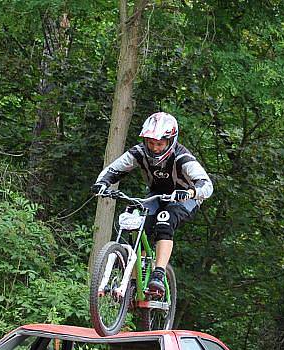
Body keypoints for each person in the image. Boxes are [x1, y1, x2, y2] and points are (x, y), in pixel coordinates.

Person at [91, 111, 213, 297]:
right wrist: (102, 184)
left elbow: (206, 184)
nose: (155, 148)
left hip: (185, 197)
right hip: (156, 195)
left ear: (170, 141)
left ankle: (158, 273)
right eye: (151, 143)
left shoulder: (182, 157)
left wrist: (191, 192)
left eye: (159, 144)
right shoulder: (138, 153)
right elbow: (114, 169)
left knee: (165, 220)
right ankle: (132, 283)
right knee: (137, 223)